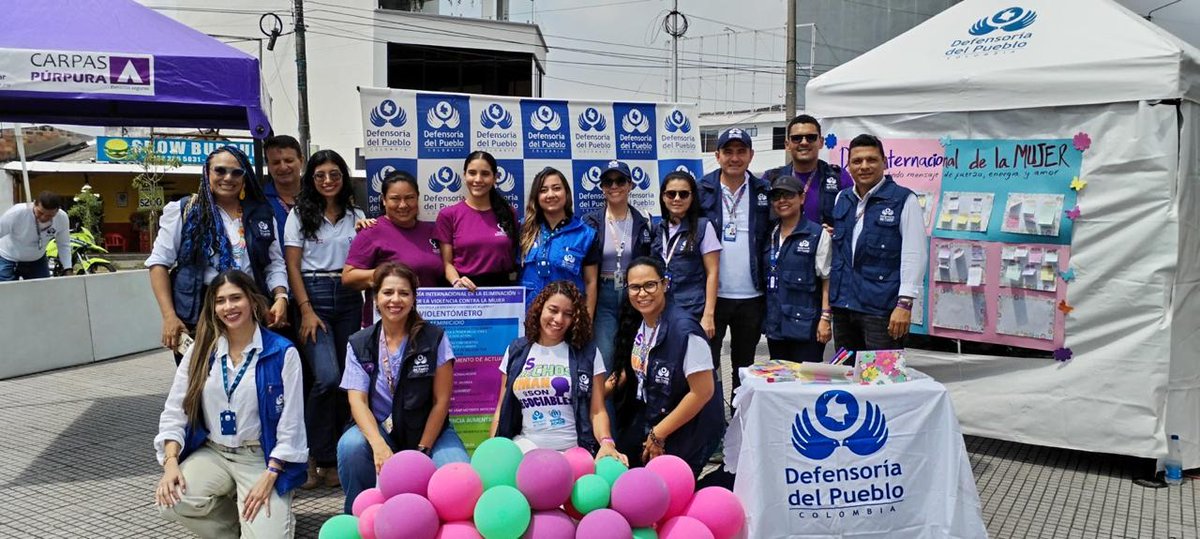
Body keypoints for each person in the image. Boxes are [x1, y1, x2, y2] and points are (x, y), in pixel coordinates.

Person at [154, 270, 307, 537]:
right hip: (214, 452)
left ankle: (268, 520)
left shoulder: (282, 352)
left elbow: (291, 423)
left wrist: (271, 474)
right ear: (213, 308)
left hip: (260, 457)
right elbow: (175, 410)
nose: (228, 307)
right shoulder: (201, 350)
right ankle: (234, 528)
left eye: (236, 298)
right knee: (171, 499)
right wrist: (170, 463)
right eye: (220, 301)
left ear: (252, 300)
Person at [336, 262, 469, 514]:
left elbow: (441, 402)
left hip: (429, 432)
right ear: (375, 298)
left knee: (459, 479)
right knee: (350, 446)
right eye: (387, 292)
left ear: (413, 298)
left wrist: (422, 451)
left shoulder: (435, 338)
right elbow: (357, 401)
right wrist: (378, 445)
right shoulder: (359, 342)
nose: (395, 300)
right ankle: (360, 515)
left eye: (404, 293)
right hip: (381, 430)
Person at [146, 146, 290, 364]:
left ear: (244, 177)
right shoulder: (184, 210)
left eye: (236, 172)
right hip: (199, 312)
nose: (228, 178)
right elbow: (158, 264)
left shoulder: (262, 214)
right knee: (202, 377)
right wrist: (169, 316)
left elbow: (274, 263)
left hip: (249, 309)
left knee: (248, 374)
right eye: (220, 170)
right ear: (207, 173)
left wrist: (280, 297)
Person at [282, 149, 365, 490]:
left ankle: (332, 460)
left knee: (347, 381)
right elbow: (291, 266)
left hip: (348, 296)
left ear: (344, 178)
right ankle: (311, 454)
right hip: (313, 295)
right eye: (320, 175)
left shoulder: (356, 215)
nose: (328, 181)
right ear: (311, 179)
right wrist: (305, 310)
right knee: (326, 378)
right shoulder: (299, 214)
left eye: (334, 174)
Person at [608, 257, 724, 476]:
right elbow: (637, 368)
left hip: (689, 429)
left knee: (665, 487)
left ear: (665, 284)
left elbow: (702, 392)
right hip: (653, 414)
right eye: (635, 287)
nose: (642, 293)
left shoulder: (685, 331)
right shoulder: (642, 321)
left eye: (650, 285)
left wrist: (658, 434)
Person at [491, 281, 626, 463]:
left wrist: (606, 442)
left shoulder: (588, 353)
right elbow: (502, 408)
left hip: (574, 453)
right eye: (553, 310)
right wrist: (493, 448)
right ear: (540, 309)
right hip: (525, 449)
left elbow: (597, 410)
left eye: (568, 314)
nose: (559, 319)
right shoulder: (516, 350)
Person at [829, 134, 928, 354]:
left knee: (881, 375)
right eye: (857, 161)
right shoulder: (842, 198)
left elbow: (915, 254)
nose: (864, 166)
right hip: (844, 306)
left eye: (871, 160)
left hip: (882, 309)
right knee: (846, 372)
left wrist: (904, 304)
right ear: (849, 166)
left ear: (884, 162)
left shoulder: (904, 200)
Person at [698, 127, 771, 390]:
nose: (735, 158)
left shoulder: (765, 191)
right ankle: (713, 414)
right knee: (707, 364)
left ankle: (740, 413)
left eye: (741, 151)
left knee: (744, 365)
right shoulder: (702, 189)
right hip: (712, 295)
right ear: (717, 155)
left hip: (752, 295)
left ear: (751, 155)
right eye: (728, 152)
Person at [581, 160, 652, 372]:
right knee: (605, 355)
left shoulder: (644, 220)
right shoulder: (590, 222)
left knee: (636, 355)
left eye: (620, 181)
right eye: (608, 182)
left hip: (635, 294)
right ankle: (604, 395)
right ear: (602, 188)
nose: (614, 186)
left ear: (630, 185)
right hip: (604, 293)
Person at [762, 175, 833, 362]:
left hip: (806, 326)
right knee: (779, 376)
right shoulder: (768, 234)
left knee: (806, 377)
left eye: (788, 195)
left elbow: (827, 279)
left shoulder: (817, 234)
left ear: (802, 198)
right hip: (775, 324)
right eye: (776, 196)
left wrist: (825, 318)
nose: (782, 201)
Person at [344, 169, 447, 292]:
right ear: (384, 200)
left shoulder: (430, 230)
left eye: (409, 198)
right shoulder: (371, 231)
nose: (403, 205)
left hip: (430, 304)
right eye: (395, 198)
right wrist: (389, 274)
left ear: (417, 198)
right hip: (391, 304)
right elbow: (348, 277)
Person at [518, 167, 600, 316]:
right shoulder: (523, 229)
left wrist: (587, 320)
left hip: (566, 316)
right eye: (543, 190)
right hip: (529, 315)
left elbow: (591, 282)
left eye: (556, 188)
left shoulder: (585, 234)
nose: (550, 194)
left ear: (566, 193)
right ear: (536, 196)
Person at [435, 151, 519, 291]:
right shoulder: (448, 215)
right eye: (472, 173)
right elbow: (447, 264)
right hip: (464, 290)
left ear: (495, 178)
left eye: (485, 174)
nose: (478, 179)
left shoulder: (509, 213)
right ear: (464, 175)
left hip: (502, 293)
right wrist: (457, 282)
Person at [651, 170, 720, 337]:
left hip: (692, 310)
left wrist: (708, 315)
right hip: (661, 307)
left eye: (683, 194)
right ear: (663, 197)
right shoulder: (658, 229)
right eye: (671, 194)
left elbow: (713, 273)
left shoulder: (703, 227)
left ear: (692, 197)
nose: (677, 199)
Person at [761, 114, 851, 226]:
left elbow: (852, 220)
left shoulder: (839, 177)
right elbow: (760, 221)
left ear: (821, 142)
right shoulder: (771, 179)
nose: (804, 142)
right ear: (787, 144)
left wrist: (836, 231)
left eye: (811, 137)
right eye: (796, 138)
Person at [0, 191, 70, 281]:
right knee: (6, 289)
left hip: (37, 260)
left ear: (57, 211)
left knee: (43, 288)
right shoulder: (16, 213)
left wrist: (68, 268)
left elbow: (63, 244)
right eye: (40, 213)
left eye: (49, 216)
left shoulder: (62, 218)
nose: (43, 217)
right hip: (8, 258)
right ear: (34, 204)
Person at [263, 135, 305, 234]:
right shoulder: (260, 201)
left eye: (289, 161)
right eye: (276, 162)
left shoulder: (318, 195)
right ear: (268, 166)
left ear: (301, 161)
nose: (283, 167)